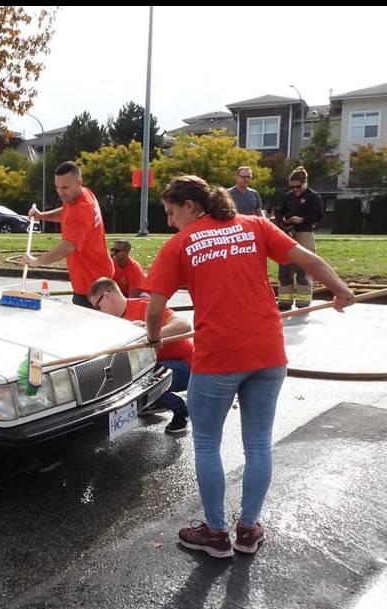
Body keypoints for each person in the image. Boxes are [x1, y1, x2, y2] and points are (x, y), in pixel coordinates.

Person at [145, 175, 354, 558]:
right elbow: (308, 259)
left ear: (190, 206)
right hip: (268, 353)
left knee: (207, 443)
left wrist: (154, 339)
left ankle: (215, 532)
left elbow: (155, 308)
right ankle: (247, 530)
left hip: (219, 357)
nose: (170, 222)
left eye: (172, 212)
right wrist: (340, 289)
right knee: (258, 444)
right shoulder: (256, 225)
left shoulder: (180, 244)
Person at [87, 277, 193, 434]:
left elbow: (184, 325)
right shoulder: (111, 322)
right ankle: (153, 400)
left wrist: (151, 334)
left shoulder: (144, 307)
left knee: (145, 381)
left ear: (107, 296)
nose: (99, 312)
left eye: (98, 306)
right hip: (155, 366)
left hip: (187, 365)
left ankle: (181, 409)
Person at [16, 161, 114, 308]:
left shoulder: (82, 210)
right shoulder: (81, 194)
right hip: (99, 274)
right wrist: (42, 216)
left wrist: (37, 261)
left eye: (65, 187)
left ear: (79, 182)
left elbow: (68, 246)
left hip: (92, 284)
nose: (61, 192)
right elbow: (66, 213)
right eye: (58, 187)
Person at [275, 166, 324, 310]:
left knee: (304, 266)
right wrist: (283, 220)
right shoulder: (288, 197)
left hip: (304, 232)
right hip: (288, 232)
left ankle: (303, 300)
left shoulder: (312, 196)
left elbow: (319, 216)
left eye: (298, 186)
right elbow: (279, 211)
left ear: (305, 183)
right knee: (284, 266)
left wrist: (302, 219)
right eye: (292, 186)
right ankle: (285, 299)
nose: (296, 189)